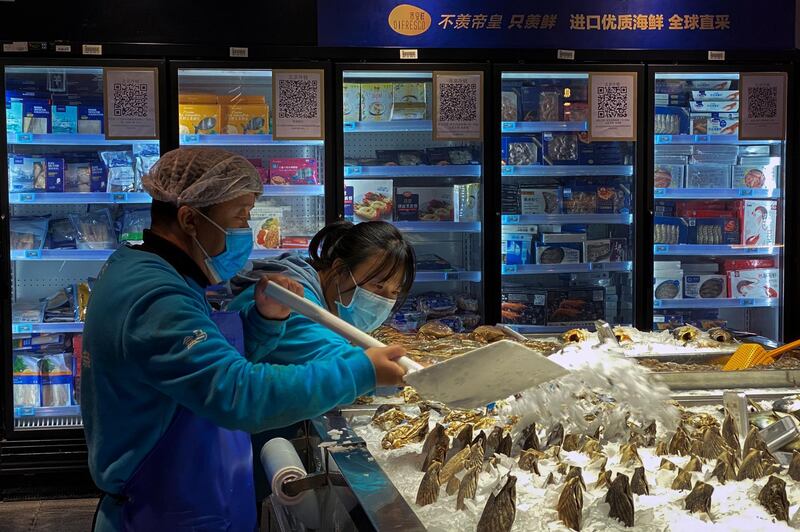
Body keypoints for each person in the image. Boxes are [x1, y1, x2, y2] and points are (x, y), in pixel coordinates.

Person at [81, 148, 407, 532]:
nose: (245, 232)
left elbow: (204, 369)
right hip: (161, 511)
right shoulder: (154, 297)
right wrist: (361, 371)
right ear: (189, 219)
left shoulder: (163, 276)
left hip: (195, 499)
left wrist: (263, 320)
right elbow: (238, 392)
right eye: (239, 218)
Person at [227, 219, 416, 510]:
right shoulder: (294, 300)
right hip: (234, 467)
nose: (383, 300)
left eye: (393, 293)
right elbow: (335, 357)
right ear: (339, 271)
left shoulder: (318, 293)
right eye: (377, 286)